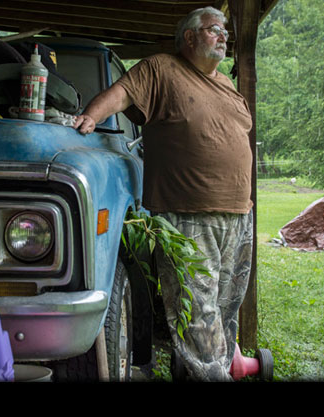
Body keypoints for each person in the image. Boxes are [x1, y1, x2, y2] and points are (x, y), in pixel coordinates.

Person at [72, 7, 254, 382]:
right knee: (199, 316)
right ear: (189, 37)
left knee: (223, 310)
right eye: (213, 30)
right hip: (187, 213)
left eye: (225, 31)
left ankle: (195, 373)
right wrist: (91, 116)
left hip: (238, 214)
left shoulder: (228, 85)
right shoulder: (161, 69)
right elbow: (121, 94)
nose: (223, 36)